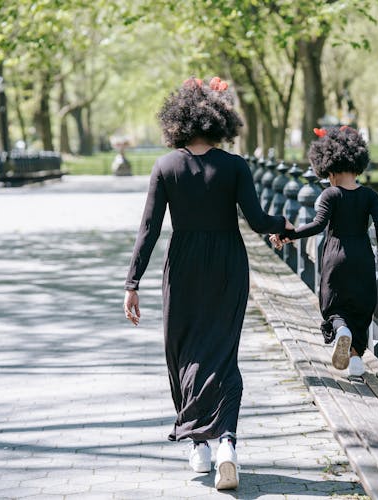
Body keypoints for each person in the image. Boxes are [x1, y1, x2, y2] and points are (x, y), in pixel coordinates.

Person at [122, 76, 292, 490]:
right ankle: (227, 443)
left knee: (182, 354)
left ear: (177, 122)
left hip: (182, 268)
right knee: (223, 354)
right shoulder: (235, 166)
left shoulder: (165, 167)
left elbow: (149, 229)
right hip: (228, 266)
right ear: (220, 120)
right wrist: (287, 228)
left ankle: (198, 443)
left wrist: (132, 282)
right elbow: (256, 221)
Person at [270, 126, 378, 377]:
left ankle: (341, 331)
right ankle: (356, 360)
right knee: (361, 307)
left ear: (329, 167)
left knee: (334, 307)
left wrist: (288, 235)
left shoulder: (330, 194)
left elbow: (317, 226)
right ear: (358, 163)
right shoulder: (370, 195)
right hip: (363, 258)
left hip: (336, 257)